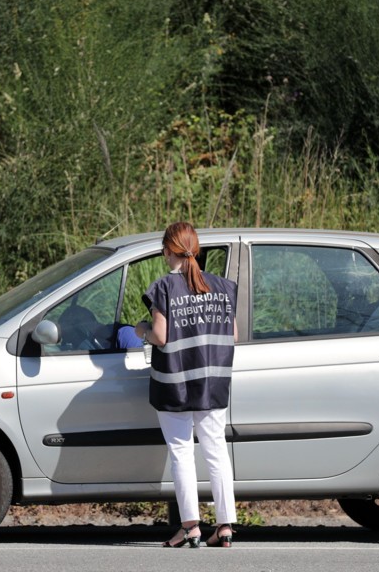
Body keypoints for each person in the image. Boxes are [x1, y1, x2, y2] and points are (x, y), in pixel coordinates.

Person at [134, 222, 238, 549]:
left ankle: (191, 527)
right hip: (212, 383)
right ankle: (225, 527)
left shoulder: (164, 288)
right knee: (216, 451)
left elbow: (161, 337)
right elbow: (232, 335)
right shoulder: (222, 287)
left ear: (168, 251)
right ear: (198, 249)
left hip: (175, 384)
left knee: (182, 453)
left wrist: (141, 331)